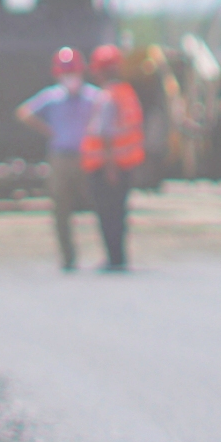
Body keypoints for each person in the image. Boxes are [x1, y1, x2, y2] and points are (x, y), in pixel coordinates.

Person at [17, 48, 96, 271]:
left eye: (74, 72)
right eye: (66, 73)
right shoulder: (52, 97)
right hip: (60, 157)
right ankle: (68, 256)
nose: (71, 78)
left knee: (96, 203)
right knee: (61, 208)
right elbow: (24, 113)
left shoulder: (93, 97)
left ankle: (105, 253)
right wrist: (49, 130)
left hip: (87, 157)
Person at [81, 44, 144, 273]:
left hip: (107, 167)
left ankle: (113, 259)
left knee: (108, 215)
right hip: (125, 165)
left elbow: (105, 134)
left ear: (99, 71)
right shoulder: (127, 93)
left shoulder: (107, 97)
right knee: (119, 213)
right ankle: (119, 257)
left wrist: (109, 168)